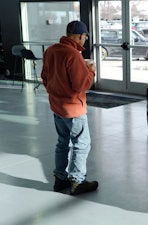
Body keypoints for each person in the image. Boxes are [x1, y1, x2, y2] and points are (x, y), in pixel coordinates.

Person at [41, 20, 98, 195]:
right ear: (80, 36)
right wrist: (91, 70)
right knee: (82, 144)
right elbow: (82, 85)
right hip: (73, 109)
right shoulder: (73, 55)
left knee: (62, 142)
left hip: (57, 107)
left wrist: (56, 92)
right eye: (85, 37)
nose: (85, 41)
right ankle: (77, 181)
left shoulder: (51, 50)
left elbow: (45, 77)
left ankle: (60, 178)